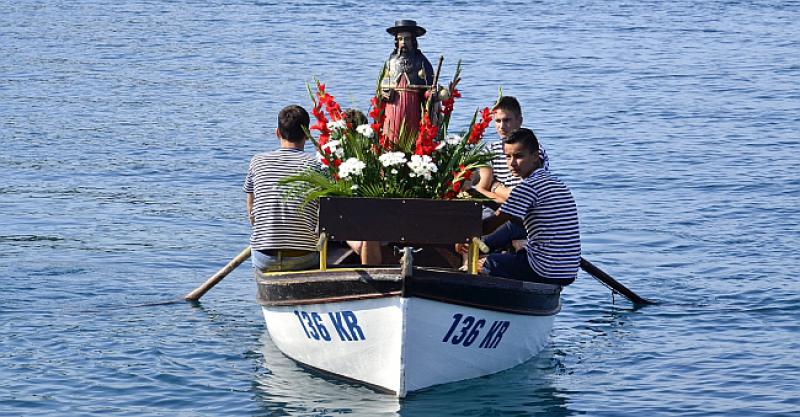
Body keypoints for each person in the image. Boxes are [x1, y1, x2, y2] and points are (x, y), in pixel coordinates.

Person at [481, 128, 580, 286]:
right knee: (514, 247)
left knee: (486, 263)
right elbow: (510, 223)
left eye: (519, 156)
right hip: (568, 271)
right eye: (507, 157)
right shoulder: (557, 183)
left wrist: (463, 236)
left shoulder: (528, 187)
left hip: (544, 269)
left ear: (535, 157)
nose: (512, 163)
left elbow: (488, 226)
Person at [244, 105, 320, 272]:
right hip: (303, 258)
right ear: (307, 135)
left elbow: (251, 213)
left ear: (277, 132)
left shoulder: (257, 161)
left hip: (264, 257)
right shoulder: (316, 166)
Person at [381, 19, 435, 143]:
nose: (403, 42)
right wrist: (384, 91)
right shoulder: (391, 61)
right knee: (391, 135)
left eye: (407, 39)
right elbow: (384, 83)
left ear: (413, 40)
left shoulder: (421, 61)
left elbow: (429, 87)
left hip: (412, 104)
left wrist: (430, 94)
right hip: (393, 105)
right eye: (400, 39)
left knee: (411, 134)